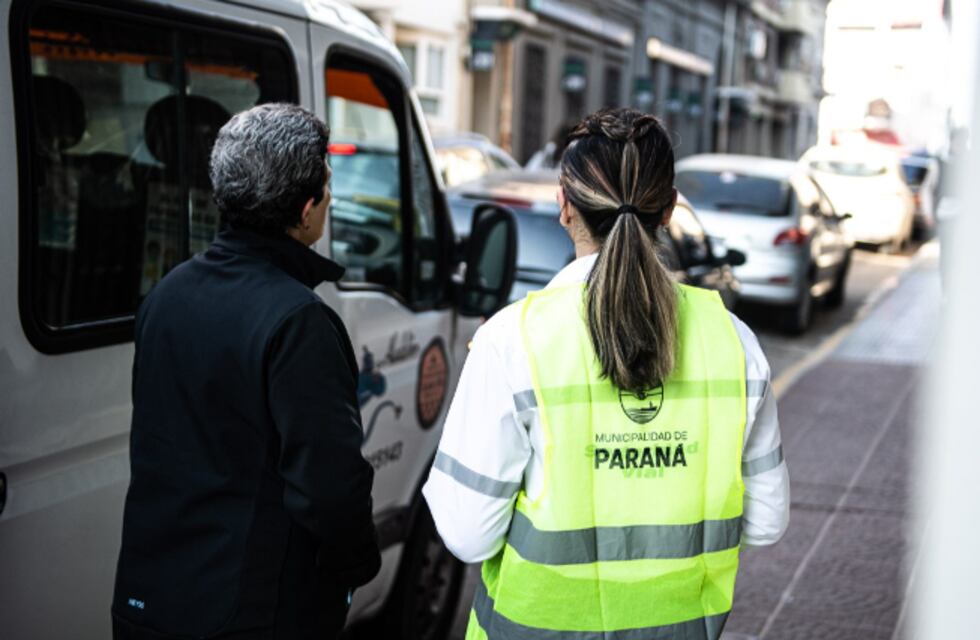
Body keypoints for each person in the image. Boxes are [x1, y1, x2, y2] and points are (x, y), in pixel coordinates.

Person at [423, 108, 789, 639]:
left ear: (564, 206)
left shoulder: (511, 342)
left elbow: (467, 535)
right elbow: (767, 521)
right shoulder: (733, 342)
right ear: (667, 211)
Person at [112, 103, 380, 640]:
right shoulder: (299, 320)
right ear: (306, 209)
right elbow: (330, 488)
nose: (328, 202)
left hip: (147, 600)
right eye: (327, 190)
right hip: (248, 612)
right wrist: (355, 570)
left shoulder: (167, 294)